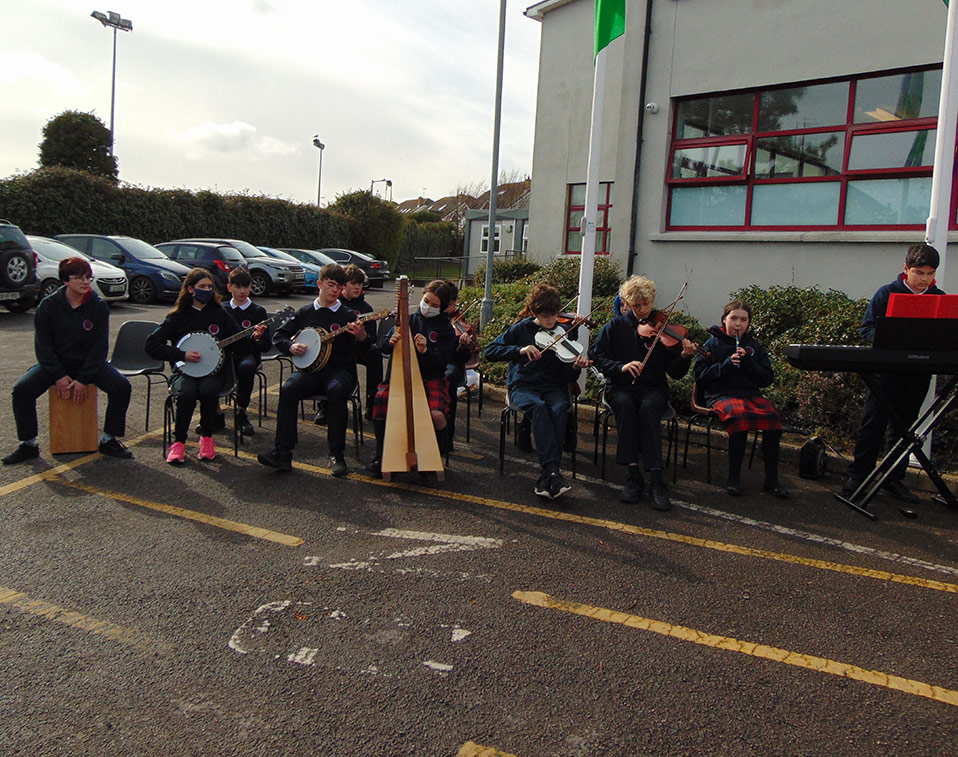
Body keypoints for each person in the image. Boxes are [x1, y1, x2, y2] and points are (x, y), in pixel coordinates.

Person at [3, 257, 133, 465]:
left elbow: (99, 348)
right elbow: (43, 347)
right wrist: (59, 376)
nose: (85, 281)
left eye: (88, 277)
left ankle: (109, 439)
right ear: (65, 280)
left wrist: (83, 379)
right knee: (22, 390)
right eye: (79, 277)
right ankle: (29, 444)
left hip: (88, 364)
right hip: (56, 365)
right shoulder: (48, 306)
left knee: (121, 386)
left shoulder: (98, 306)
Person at [843, 242, 945, 502]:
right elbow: (867, 328)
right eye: (919, 273)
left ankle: (892, 479)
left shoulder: (939, 298)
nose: (924, 279)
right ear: (906, 269)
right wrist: (889, 340)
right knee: (873, 424)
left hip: (918, 373)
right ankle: (858, 476)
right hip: (885, 373)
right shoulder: (887, 293)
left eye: (930, 274)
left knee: (904, 427)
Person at [590, 275, 697, 510]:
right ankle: (633, 475)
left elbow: (675, 373)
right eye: (636, 305)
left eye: (646, 304)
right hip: (620, 386)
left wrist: (684, 356)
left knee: (649, 408)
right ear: (627, 303)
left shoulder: (663, 329)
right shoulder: (614, 327)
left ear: (652, 301)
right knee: (626, 406)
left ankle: (657, 479)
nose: (642, 310)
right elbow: (598, 357)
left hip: (653, 387)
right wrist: (621, 367)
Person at [257, 264, 368, 477]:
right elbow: (278, 336)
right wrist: (291, 347)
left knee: (337, 391)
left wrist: (361, 336)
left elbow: (365, 347)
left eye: (339, 286)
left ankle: (337, 454)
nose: (335, 290)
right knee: (288, 389)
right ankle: (283, 452)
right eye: (331, 285)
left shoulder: (348, 314)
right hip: (311, 372)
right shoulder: (305, 312)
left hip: (339, 371)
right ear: (320, 284)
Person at [484, 282, 590, 500]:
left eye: (553, 315)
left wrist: (576, 368)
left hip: (553, 386)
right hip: (524, 385)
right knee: (539, 407)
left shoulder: (563, 332)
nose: (550, 321)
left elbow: (567, 375)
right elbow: (490, 351)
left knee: (561, 407)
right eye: (544, 316)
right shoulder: (521, 329)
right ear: (534, 312)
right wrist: (520, 350)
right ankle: (552, 472)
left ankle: (548, 474)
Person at [693, 300, 788, 498]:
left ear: (748, 323)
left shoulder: (754, 347)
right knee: (740, 417)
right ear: (724, 320)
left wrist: (749, 363)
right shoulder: (712, 344)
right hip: (720, 395)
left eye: (743, 320)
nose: (738, 324)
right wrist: (726, 365)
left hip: (750, 395)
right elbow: (700, 376)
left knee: (773, 418)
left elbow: (766, 379)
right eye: (733, 318)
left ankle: (772, 479)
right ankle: (733, 478)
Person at [146, 268, 239, 465]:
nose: (206, 290)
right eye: (202, 287)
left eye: (209, 287)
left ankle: (207, 439)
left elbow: (238, 340)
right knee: (186, 392)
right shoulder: (178, 316)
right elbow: (152, 345)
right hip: (184, 372)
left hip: (213, 372)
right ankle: (178, 442)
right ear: (190, 289)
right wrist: (181, 355)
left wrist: (254, 335)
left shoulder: (219, 314)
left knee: (208, 390)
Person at [367, 279, 456, 475]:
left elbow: (442, 361)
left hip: (432, 378)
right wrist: (390, 342)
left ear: (441, 308)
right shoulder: (407, 320)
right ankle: (381, 455)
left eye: (434, 305)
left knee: (437, 416)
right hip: (401, 379)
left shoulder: (445, 329)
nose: (428, 307)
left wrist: (425, 351)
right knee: (381, 400)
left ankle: (435, 457)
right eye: (426, 301)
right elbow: (381, 346)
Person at [221, 268, 268, 438]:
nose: (242, 291)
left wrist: (255, 339)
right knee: (210, 367)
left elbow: (266, 344)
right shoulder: (221, 309)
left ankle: (241, 412)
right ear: (229, 287)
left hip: (247, 354)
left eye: (246, 287)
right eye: (237, 287)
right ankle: (214, 412)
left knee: (247, 368)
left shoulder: (258, 312)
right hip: (225, 354)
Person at [340, 264, 383, 422]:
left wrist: (363, 336)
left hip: (359, 348)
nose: (357, 287)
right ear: (344, 285)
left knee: (375, 353)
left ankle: (373, 403)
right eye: (353, 283)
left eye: (359, 284)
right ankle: (328, 406)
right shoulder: (335, 304)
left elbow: (372, 338)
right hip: (338, 349)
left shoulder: (366, 308)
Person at [443, 281, 479, 447]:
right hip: (432, 360)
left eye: (452, 302)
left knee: (448, 377)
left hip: (453, 364)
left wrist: (463, 345)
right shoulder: (430, 319)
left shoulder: (460, 323)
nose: (451, 306)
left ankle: (447, 436)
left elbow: (464, 358)